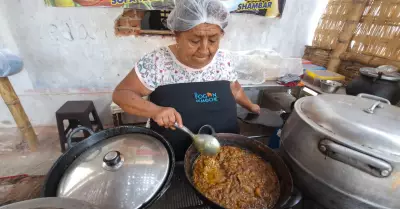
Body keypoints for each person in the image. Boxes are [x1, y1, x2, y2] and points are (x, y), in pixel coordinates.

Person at [113, 0, 260, 160]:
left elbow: (235, 89)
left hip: (225, 153)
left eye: (213, 40)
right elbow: (122, 94)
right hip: (170, 156)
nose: (204, 50)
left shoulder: (223, 60)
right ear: (176, 35)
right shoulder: (157, 62)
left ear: (221, 35)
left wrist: (251, 106)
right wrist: (155, 111)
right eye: (195, 41)